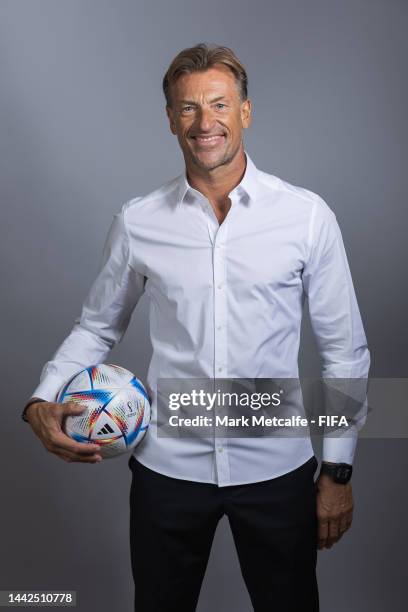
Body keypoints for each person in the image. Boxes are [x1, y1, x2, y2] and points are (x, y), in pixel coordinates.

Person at [22, 43, 370, 611]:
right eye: (188, 108)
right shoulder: (138, 222)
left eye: (219, 105)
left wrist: (337, 470)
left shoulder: (306, 218)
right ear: (170, 119)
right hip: (166, 469)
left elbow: (345, 353)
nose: (205, 123)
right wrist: (40, 398)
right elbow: (96, 327)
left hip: (277, 468)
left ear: (245, 112)